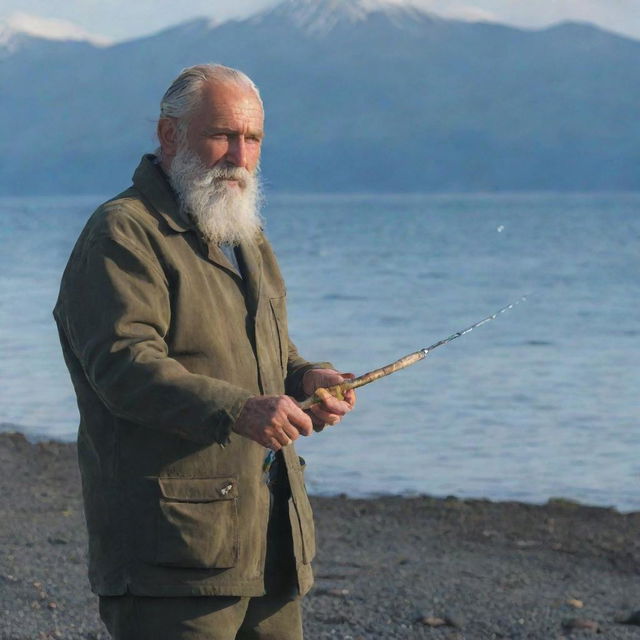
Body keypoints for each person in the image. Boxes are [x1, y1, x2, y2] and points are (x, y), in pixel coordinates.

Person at [53, 63, 356, 640]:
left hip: (269, 542)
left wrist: (307, 377)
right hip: (171, 552)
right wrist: (239, 409)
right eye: (222, 134)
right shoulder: (123, 233)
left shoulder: (245, 234)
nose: (240, 157)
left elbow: (270, 351)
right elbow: (123, 366)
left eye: (253, 138)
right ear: (170, 135)